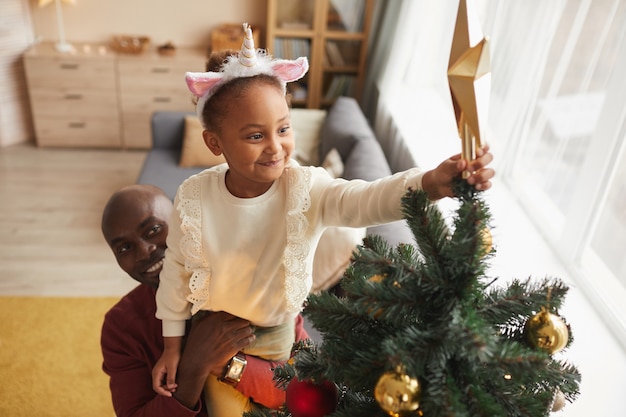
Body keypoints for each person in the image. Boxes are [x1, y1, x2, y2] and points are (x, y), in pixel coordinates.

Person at [153, 23, 495, 416]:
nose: (275, 147)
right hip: (214, 339)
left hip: (278, 339)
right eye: (254, 136)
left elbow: (368, 199)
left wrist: (432, 181)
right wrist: (172, 347)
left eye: (283, 129)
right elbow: (176, 271)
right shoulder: (194, 196)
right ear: (215, 142)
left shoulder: (306, 188)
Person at [100, 184, 310, 417]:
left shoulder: (254, 280)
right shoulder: (121, 327)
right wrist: (194, 366)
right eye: (124, 248)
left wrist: (225, 365)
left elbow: (309, 388)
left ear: (183, 221)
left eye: (153, 230)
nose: (144, 252)